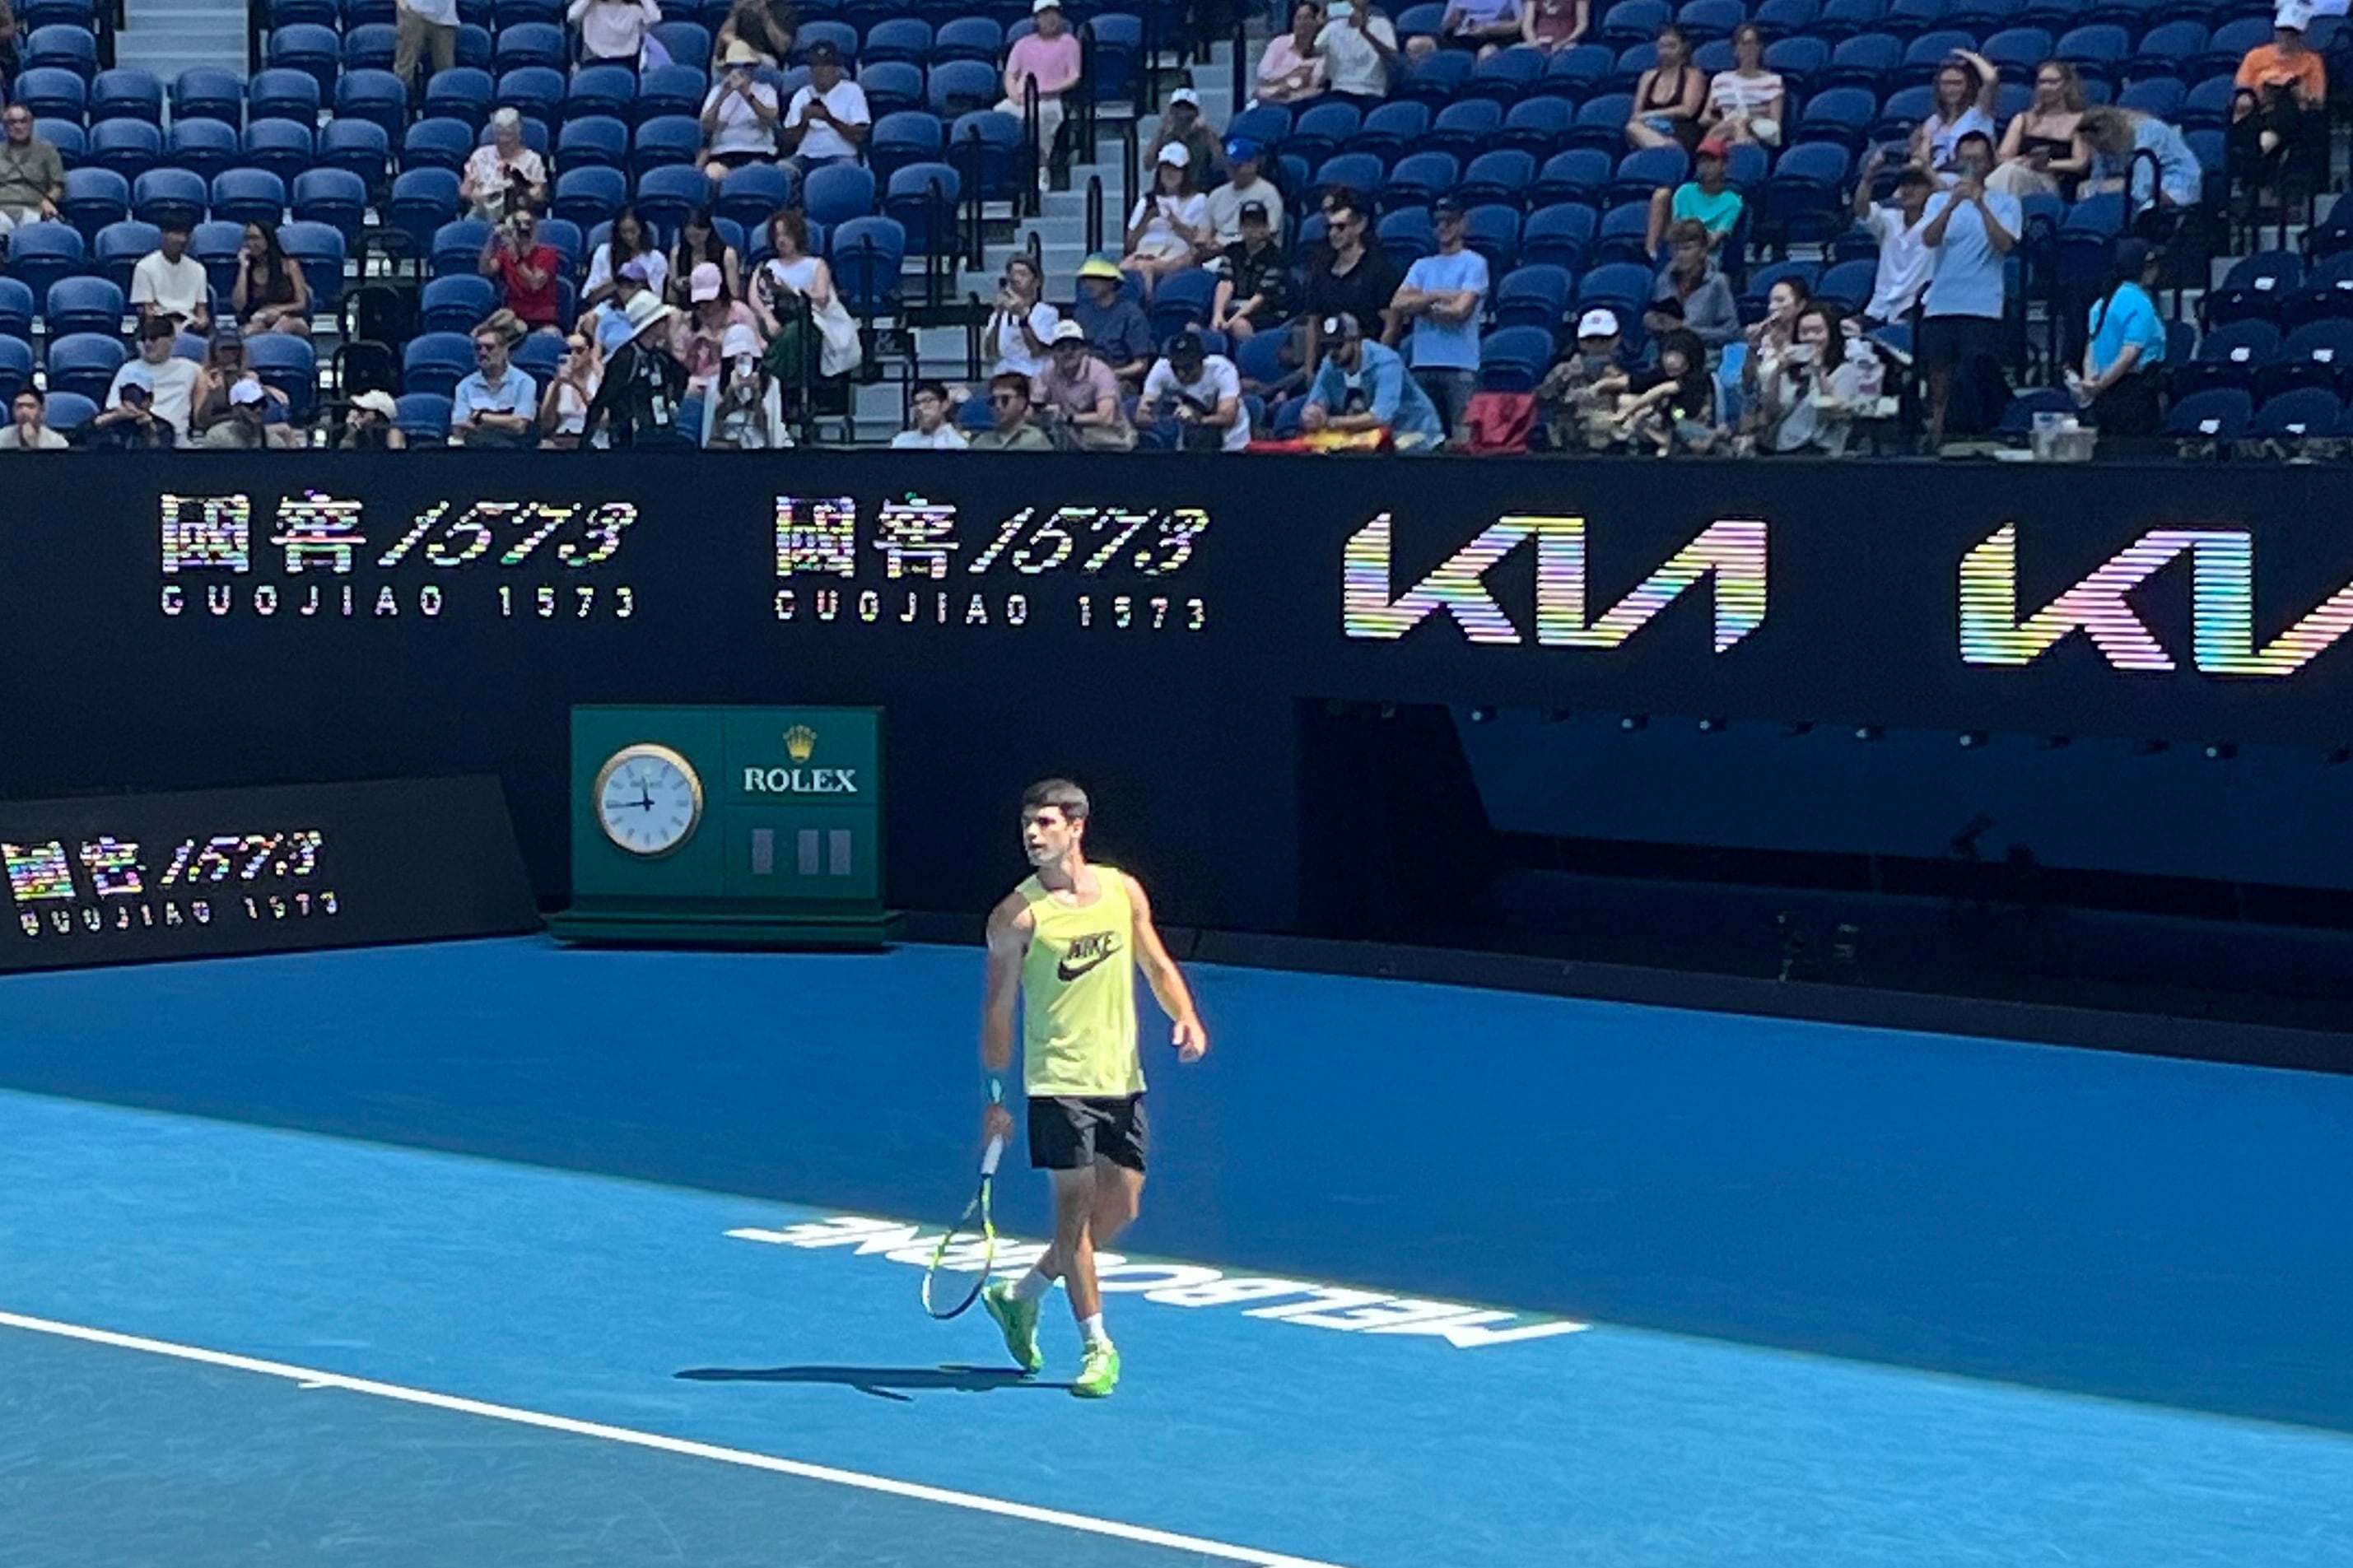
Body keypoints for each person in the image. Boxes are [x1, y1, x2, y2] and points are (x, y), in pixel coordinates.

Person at [975, 778, 1206, 1402]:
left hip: (1121, 1079)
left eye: (1045, 823)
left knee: (1121, 1209)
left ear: (1076, 827)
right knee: (1074, 1214)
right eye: (1027, 824)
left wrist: (1183, 1013)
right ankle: (1096, 1344)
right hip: (1057, 1083)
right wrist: (997, 1094)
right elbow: (997, 1009)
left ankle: (1020, 1294)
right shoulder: (1014, 916)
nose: (1032, 834)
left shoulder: (1121, 891)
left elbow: (1155, 962)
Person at [1918, 130, 2019, 445]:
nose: (1971, 166)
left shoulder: (2007, 202)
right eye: (1965, 160)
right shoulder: (1936, 200)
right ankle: (1937, 434)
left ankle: (1974, 435)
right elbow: (1929, 239)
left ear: (1990, 163)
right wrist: (1951, 204)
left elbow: (2004, 244)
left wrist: (1981, 205)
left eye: (1977, 159)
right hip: (1942, 302)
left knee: (1975, 376)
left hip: (1982, 305)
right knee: (1939, 379)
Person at [1389, 196, 1489, 440]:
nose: (1443, 227)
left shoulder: (1474, 263)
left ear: (1462, 223)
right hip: (1422, 364)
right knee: (1419, 440)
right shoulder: (1422, 266)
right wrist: (1438, 295)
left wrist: (1421, 304)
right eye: (1438, 222)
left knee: (1462, 441)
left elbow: (1459, 313)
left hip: (1461, 366)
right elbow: (1398, 303)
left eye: (1450, 221)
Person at [2231, 1, 2327, 209]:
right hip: (2258, 113)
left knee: (2287, 105)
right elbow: (2242, 96)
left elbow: (2318, 101)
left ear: (2301, 36)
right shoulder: (2255, 57)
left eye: (2292, 33)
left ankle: (2267, 142)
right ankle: (2266, 143)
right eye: (2283, 32)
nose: (2287, 38)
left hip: (2296, 118)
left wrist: (2300, 93)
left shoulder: (2312, 61)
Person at [1302, 310, 1445, 451]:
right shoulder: (1329, 364)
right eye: (1327, 347)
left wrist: (1330, 422)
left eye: (1339, 346)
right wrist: (1312, 414)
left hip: (1415, 435)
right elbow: (1315, 402)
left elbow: (1381, 417)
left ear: (1356, 341)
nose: (1332, 352)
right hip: (1371, 439)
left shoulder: (1386, 362)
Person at [2071, 237, 2166, 437]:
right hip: (2134, 395)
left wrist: (2092, 383)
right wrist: (2100, 385)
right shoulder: (2139, 303)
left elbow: (2091, 348)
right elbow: (2130, 353)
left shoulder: (2102, 302)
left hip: (2104, 396)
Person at [1749, 301, 1869, 454]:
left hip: (1819, 454)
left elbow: (1835, 413)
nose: (1810, 337)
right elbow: (1771, 413)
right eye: (1804, 332)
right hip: (1783, 451)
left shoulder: (1847, 371)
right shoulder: (1794, 371)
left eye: (1817, 331)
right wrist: (1777, 373)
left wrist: (1820, 374)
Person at [1302, 196, 1402, 361]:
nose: (1333, 233)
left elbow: (1392, 324)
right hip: (1331, 358)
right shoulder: (1320, 271)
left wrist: (1378, 361)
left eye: (1340, 227)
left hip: (1367, 357)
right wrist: (1309, 368)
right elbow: (1313, 323)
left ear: (1360, 226)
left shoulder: (1379, 270)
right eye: (1329, 228)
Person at [586, 289, 690, 446]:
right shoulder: (626, 357)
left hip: (660, 432)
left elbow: (683, 379)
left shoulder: (661, 357)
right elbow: (605, 398)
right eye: (663, 320)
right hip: (631, 437)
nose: (667, 324)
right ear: (653, 324)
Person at [1000, 0, 1083, 185]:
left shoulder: (1069, 43)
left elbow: (1074, 77)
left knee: (1039, 119)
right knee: (999, 115)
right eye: (1045, 14)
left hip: (1050, 100)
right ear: (1037, 19)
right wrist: (1014, 95)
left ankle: (1042, 166)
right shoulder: (1023, 44)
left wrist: (1046, 91)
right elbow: (1010, 74)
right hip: (1020, 99)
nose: (1050, 19)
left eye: (1054, 13)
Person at [1854, 152, 1936, 328]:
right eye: (1904, 185)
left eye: (1916, 185)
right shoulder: (1889, 219)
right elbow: (1862, 209)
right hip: (1878, 307)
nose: (1908, 190)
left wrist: (1925, 169)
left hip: (1914, 309)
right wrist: (1869, 176)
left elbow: (1952, 201)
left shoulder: (1937, 223)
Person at [1987, 60, 2088, 201]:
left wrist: (2046, 165)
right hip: (2020, 173)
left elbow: (2080, 162)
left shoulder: (2080, 120)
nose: (2046, 87)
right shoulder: (2023, 119)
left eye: (2052, 82)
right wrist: (2022, 161)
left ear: (2066, 86)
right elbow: (2002, 157)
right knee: (2009, 171)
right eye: (2042, 82)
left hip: (2053, 182)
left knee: (2011, 173)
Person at [1535, 306, 1633, 450]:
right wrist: (1560, 380)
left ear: (1616, 340)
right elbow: (1541, 400)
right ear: (1580, 341)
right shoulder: (1564, 370)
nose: (1597, 344)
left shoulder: (1626, 371)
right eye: (1590, 339)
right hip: (1568, 444)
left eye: (1604, 339)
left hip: (1611, 449)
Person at [1121, 144, 1212, 293]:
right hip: (1145, 250)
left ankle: (1148, 308)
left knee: (1146, 269)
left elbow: (1198, 243)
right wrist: (1147, 218)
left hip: (1176, 252)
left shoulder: (1198, 200)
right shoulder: (1147, 200)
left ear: (1184, 172)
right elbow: (1130, 244)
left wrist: (1174, 222)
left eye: (1175, 169)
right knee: (1123, 268)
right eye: (1165, 168)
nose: (1169, 173)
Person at [2078, 105, 2203, 214]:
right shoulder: (2096, 140)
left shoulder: (2148, 133)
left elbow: (2142, 189)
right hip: (2137, 181)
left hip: (2175, 180)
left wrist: (2117, 185)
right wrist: (2091, 190)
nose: (2101, 150)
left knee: (2145, 210)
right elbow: (2099, 177)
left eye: (2103, 146)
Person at [1033, 319, 1136, 450]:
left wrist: (1066, 418)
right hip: (1069, 439)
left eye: (1074, 347)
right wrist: (1043, 411)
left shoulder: (1101, 372)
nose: (1068, 353)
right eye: (1061, 348)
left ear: (1085, 350)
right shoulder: (1048, 371)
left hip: (1110, 441)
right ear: (1053, 354)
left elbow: (1106, 418)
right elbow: (1035, 405)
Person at [1139, 329, 1247, 452]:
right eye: (1176, 367)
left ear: (1201, 361)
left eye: (1187, 367)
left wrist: (1197, 418)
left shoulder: (1222, 370)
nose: (1181, 374)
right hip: (1188, 439)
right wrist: (1165, 418)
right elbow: (1141, 416)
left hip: (1231, 440)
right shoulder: (1161, 369)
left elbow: (1228, 417)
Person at [1615, 325, 1717, 452]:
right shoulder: (1661, 375)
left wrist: (1629, 413)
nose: (1671, 361)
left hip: (1689, 420)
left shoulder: (1698, 381)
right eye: (1667, 354)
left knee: (1670, 417)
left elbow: (1662, 390)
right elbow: (1630, 383)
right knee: (1626, 401)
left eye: (1678, 355)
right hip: (1674, 420)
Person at [671, 261, 760, 405]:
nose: (705, 307)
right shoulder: (690, 321)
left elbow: (756, 352)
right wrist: (694, 350)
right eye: (701, 302)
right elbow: (681, 365)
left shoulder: (741, 313)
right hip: (698, 385)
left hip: (734, 382)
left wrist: (725, 347)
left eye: (709, 301)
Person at [1210, 199, 1297, 340]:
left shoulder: (1276, 257)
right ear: (1240, 227)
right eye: (1248, 225)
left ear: (1267, 227)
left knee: (1239, 326)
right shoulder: (1233, 251)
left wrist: (1231, 322)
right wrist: (1218, 315)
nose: (1253, 230)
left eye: (1258, 225)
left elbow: (1260, 297)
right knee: (1196, 326)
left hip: (1266, 312)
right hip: (1233, 306)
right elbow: (1225, 283)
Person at [782, 40, 870, 177]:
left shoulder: (852, 91)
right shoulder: (802, 94)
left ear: (836, 68)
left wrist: (828, 118)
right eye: (815, 66)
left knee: (844, 174)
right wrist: (804, 121)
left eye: (825, 65)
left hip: (841, 155)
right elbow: (788, 142)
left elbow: (860, 136)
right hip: (806, 157)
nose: (820, 71)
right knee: (781, 170)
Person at [451, 312, 539, 449]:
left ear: (505, 350)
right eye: (478, 348)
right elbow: (460, 427)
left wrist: (480, 417)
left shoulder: (525, 382)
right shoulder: (464, 386)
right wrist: (505, 421)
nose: (483, 353)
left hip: (515, 452)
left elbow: (519, 426)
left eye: (490, 347)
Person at [105, 318, 201, 442]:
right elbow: (113, 407)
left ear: (172, 339)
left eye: (154, 338)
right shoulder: (128, 370)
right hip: (137, 437)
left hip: (177, 441)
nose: (148, 344)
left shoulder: (192, 369)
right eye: (144, 339)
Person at [1645, 133, 1742, 256]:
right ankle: (1651, 254)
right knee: (1661, 195)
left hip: (1706, 256)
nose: (1705, 166)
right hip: (1678, 249)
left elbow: (1714, 240)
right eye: (1701, 161)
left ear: (1725, 165)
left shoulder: (1732, 201)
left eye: (1712, 161)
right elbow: (1674, 231)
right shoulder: (1685, 191)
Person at [1649, 218, 1739, 350]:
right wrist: (1653, 321)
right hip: (1665, 352)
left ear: (1703, 251)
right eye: (1676, 249)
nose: (1680, 255)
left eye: (1687, 249)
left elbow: (1731, 333)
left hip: (1703, 356)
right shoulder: (1664, 278)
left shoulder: (1718, 283)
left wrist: (1688, 330)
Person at [699, 42, 783, 182]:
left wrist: (746, 94)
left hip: (757, 152)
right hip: (723, 153)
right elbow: (706, 124)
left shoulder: (766, 90)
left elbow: (770, 119)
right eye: (733, 66)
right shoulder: (716, 92)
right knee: (712, 174)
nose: (739, 71)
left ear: (752, 68)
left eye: (745, 66)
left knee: (755, 174)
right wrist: (722, 96)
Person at [1071, 255, 1155, 389]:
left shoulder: (1132, 315)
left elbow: (1140, 365)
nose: (1089, 283)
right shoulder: (1081, 313)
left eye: (1096, 279)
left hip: (1120, 380)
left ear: (1112, 282)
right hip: (1083, 379)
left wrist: (1109, 375)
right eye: (1086, 279)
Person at [478, 203, 563, 333]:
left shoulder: (548, 254)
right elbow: (485, 270)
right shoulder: (504, 253)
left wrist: (516, 259)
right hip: (513, 316)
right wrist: (493, 240)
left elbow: (535, 285)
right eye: (518, 223)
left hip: (541, 318)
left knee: (551, 334)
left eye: (527, 223)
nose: (523, 230)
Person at [190, 327, 290, 435]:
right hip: (217, 430)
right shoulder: (205, 377)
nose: (229, 354)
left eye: (234, 349)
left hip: (246, 429)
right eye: (224, 349)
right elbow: (200, 422)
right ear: (214, 351)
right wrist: (212, 395)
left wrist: (265, 389)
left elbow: (256, 415)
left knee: (285, 430)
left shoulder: (249, 377)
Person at [1913, 51, 1999, 174]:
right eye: (1946, 84)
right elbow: (1924, 158)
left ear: (1968, 85)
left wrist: (1968, 55)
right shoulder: (1934, 121)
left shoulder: (1979, 113)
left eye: (1957, 83)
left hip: (1968, 173)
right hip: (1934, 176)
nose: (1951, 89)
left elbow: (1991, 78)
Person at [703, 322, 787, 448]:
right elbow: (711, 429)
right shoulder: (715, 384)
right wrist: (729, 394)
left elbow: (771, 430)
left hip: (759, 448)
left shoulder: (771, 384)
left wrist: (757, 397)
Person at [1627, 25, 1705, 151]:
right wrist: (1646, 119)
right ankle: (1665, 149)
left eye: (1672, 47)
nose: (1666, 52)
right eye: (1662, 47)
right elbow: (1637, 113)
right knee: (1632, 128)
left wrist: (1650, 115)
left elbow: (1688, 110)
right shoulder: (1648, 76)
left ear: (1684, 48)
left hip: (1680, 130)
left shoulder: (1692, 74)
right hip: (1649, 129)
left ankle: (1668, 150)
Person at [1704, 23, 1782, 148]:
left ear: (1760, 47)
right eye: (1744, 44)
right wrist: (1730, 124)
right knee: (1735, 126)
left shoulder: (1773, 81)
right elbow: (1705, 117)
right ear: (1735, 49)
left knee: (1739, 124)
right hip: (1724, 129)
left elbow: (1775, 122)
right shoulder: (1720, 79)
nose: (1749, 49)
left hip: (1759, 132)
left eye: (1753, 43)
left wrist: (1745, 119)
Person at [461, 109, 547, 222]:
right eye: (499, 136)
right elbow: (465, 190)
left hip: (515, 212)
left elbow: (539, 194)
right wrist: (475, 196)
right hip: (482, 213)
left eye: (508, 137)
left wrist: (522, 194)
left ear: (518, 135)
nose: (503, 141)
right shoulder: (480, 155)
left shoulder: (532, 160)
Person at [1316, 0, 1402, 109]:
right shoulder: (1333, 27)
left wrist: (1365, 32)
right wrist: (1318, 28)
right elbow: (1310, 52)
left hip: (1371, 92)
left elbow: (1392, 56)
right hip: (1339, 91)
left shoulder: (1382, 23)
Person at [231, 220, 310, 336]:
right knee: (248, 332)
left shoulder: (289, 265)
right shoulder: (246, 268)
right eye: (247, 238)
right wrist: (243, 268)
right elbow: (239, 305)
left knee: (282, 328)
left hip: (289, 317)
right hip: (257, 319)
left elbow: (301, 303)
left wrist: (277, 310)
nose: (250, 243)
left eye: (255, 238)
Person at [131, 220, 212, 334]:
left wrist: (202, 321)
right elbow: (147, 311)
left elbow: (201, 310)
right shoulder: (144, 267)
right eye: (176, 234)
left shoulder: (198, 269)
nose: (182, 240)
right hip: (160, 324)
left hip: (189, 325)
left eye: (185, 235)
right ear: (164, 235)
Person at [584, 204, 668, 313]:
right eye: (624, 232)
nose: (629, 237)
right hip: (607, 311)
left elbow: (657, 298)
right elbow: (589, 296)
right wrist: (614, 284)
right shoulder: (603, 252)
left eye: (633, 231)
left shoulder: (657, 258)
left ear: (642, 229)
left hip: (643, 313)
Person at [986, 254, 1059, 378]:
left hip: (1033, 375)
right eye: (1012, 274)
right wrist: (998, 316)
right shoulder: (998, 315)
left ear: (1037, 282)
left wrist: (1022, 318)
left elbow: (1038, 352)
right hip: (1003, 375)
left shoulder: (1047, 313)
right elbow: (991, 353)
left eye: (1022, 274)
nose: (1016, 278)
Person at [0, 104, 65, 236]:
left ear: (31, 124)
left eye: (23, 121)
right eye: (12, 122)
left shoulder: (46, 150)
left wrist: (49, 201)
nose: (18, 127)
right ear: (5, 127)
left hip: (35, 209)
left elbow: (57, 186)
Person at [1207, 139, 1285, 248]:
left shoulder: (1268, 193)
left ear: (1253, 164)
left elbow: (1267, 235)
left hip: (1249, 255)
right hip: (1214, 256)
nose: (1231, 170)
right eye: (1228, 165)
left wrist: (1227, 249)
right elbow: (1206, 231)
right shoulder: (1216, 194)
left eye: (1236, 166)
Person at [669, 206, 743, 312]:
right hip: (686, 311)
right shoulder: (677, 253)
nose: (694, 241)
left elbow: (734, 296)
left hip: (719, 310)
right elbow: (670, 299)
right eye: (689, 237)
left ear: (708, 231)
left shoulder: (727, 254)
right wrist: (676, 285)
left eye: (698, 236)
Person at [536, 328, 602, 447]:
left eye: (579, 351)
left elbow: (604, 420)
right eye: (568, 351)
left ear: (590, 353)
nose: (573, 356)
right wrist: (556, 387)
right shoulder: (557, 384)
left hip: (590, 438)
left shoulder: (598, 380)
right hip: (561, 438)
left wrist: (577, 386)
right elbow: (546, 425)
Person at [1257, 1, 1330, 105]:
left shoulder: (1323, 51)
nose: (1302, 22)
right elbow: (1264, 75)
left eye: (1307, 17)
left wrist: (1281, 86)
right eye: (1298, 18)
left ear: (1318, 22)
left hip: (1304, 105)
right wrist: (1293, 74)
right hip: (1270, 102)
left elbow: (1314, 84)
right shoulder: (1279, 43)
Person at [1149, 89, 1224, 184]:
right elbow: (1148, 164)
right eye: (1178, 108)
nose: (1182, 114)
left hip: (1198, 193)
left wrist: (1206, 132)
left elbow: (1220, 165)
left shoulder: (1205, 135)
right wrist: (1162, 130)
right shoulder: (1165, 135)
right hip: (1168, 193)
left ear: (1196, 112)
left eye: (1188, 109)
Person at [89, 370, 179, 449]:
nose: (131, 403)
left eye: (135, 396)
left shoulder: (163, 427)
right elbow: (81, 438)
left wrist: (149, 432)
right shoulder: (109, 421)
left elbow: (163, 457)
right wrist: (114, 418)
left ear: (149, 400)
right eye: (126, 395)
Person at [967, 370, 1056, 449]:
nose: (998, 406)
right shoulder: (982, 442)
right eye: (993, 401)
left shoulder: (1037, 440)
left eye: (1005, 400)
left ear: (1022, 402)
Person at [201, 377, 297, 449]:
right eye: (252, 405)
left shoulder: (272, 442)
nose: (259, 410)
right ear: (236, 408)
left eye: (263, 404)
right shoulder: (218, 437)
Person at [393, 0, 458, 101]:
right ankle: (406, 110)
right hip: (413, 12)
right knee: (405, 69)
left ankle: (443, 112)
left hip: (444, 17)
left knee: (445, 70)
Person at [568, 0, 661, 66]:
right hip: (594, 59)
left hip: (626, 61)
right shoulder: (592, 7)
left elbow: (655, 18)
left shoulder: (635, 10)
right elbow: (572, 16)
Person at [1419, 0, 1520, 60]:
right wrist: (1454, 19)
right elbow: (1445, 26)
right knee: (1416, 45)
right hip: (1463, 36)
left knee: (1487, 53)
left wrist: (1490, 29)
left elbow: (1518, 24)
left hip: (1495, 36)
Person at [712, 0, 794, 68]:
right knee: (718, 63)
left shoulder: (785, 10)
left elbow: (782, 47)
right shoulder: (741, 7)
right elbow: (721, 41)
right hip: (738, 56)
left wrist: (764, 13)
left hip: (766, 60)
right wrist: (736, 12)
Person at [891, 379, 968, 449]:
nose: (920, 408)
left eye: (928, 401)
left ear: (945, 405)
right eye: (916, 403)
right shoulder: (902, 441)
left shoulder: (957, 444)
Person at [0, 387, 68, 449]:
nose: (24, 412)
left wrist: (32, 444)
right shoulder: (1, 438)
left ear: (42, 411)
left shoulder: (57, 444)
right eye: (19, 406)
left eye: (30, 407)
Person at [340, 389, 408, 449]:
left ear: (379, 415)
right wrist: (350, 434)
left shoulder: (394, 432)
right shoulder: (358, 433)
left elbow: (394, 460)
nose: (355, 413)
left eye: (362, 410)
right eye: (355, 409)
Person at [1521, 0, 1586, 54]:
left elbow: (1582, 24)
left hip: (1566, 44)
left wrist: (1562, 43)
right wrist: (1534, 44)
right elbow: (1527, 26)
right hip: (1537, 43)